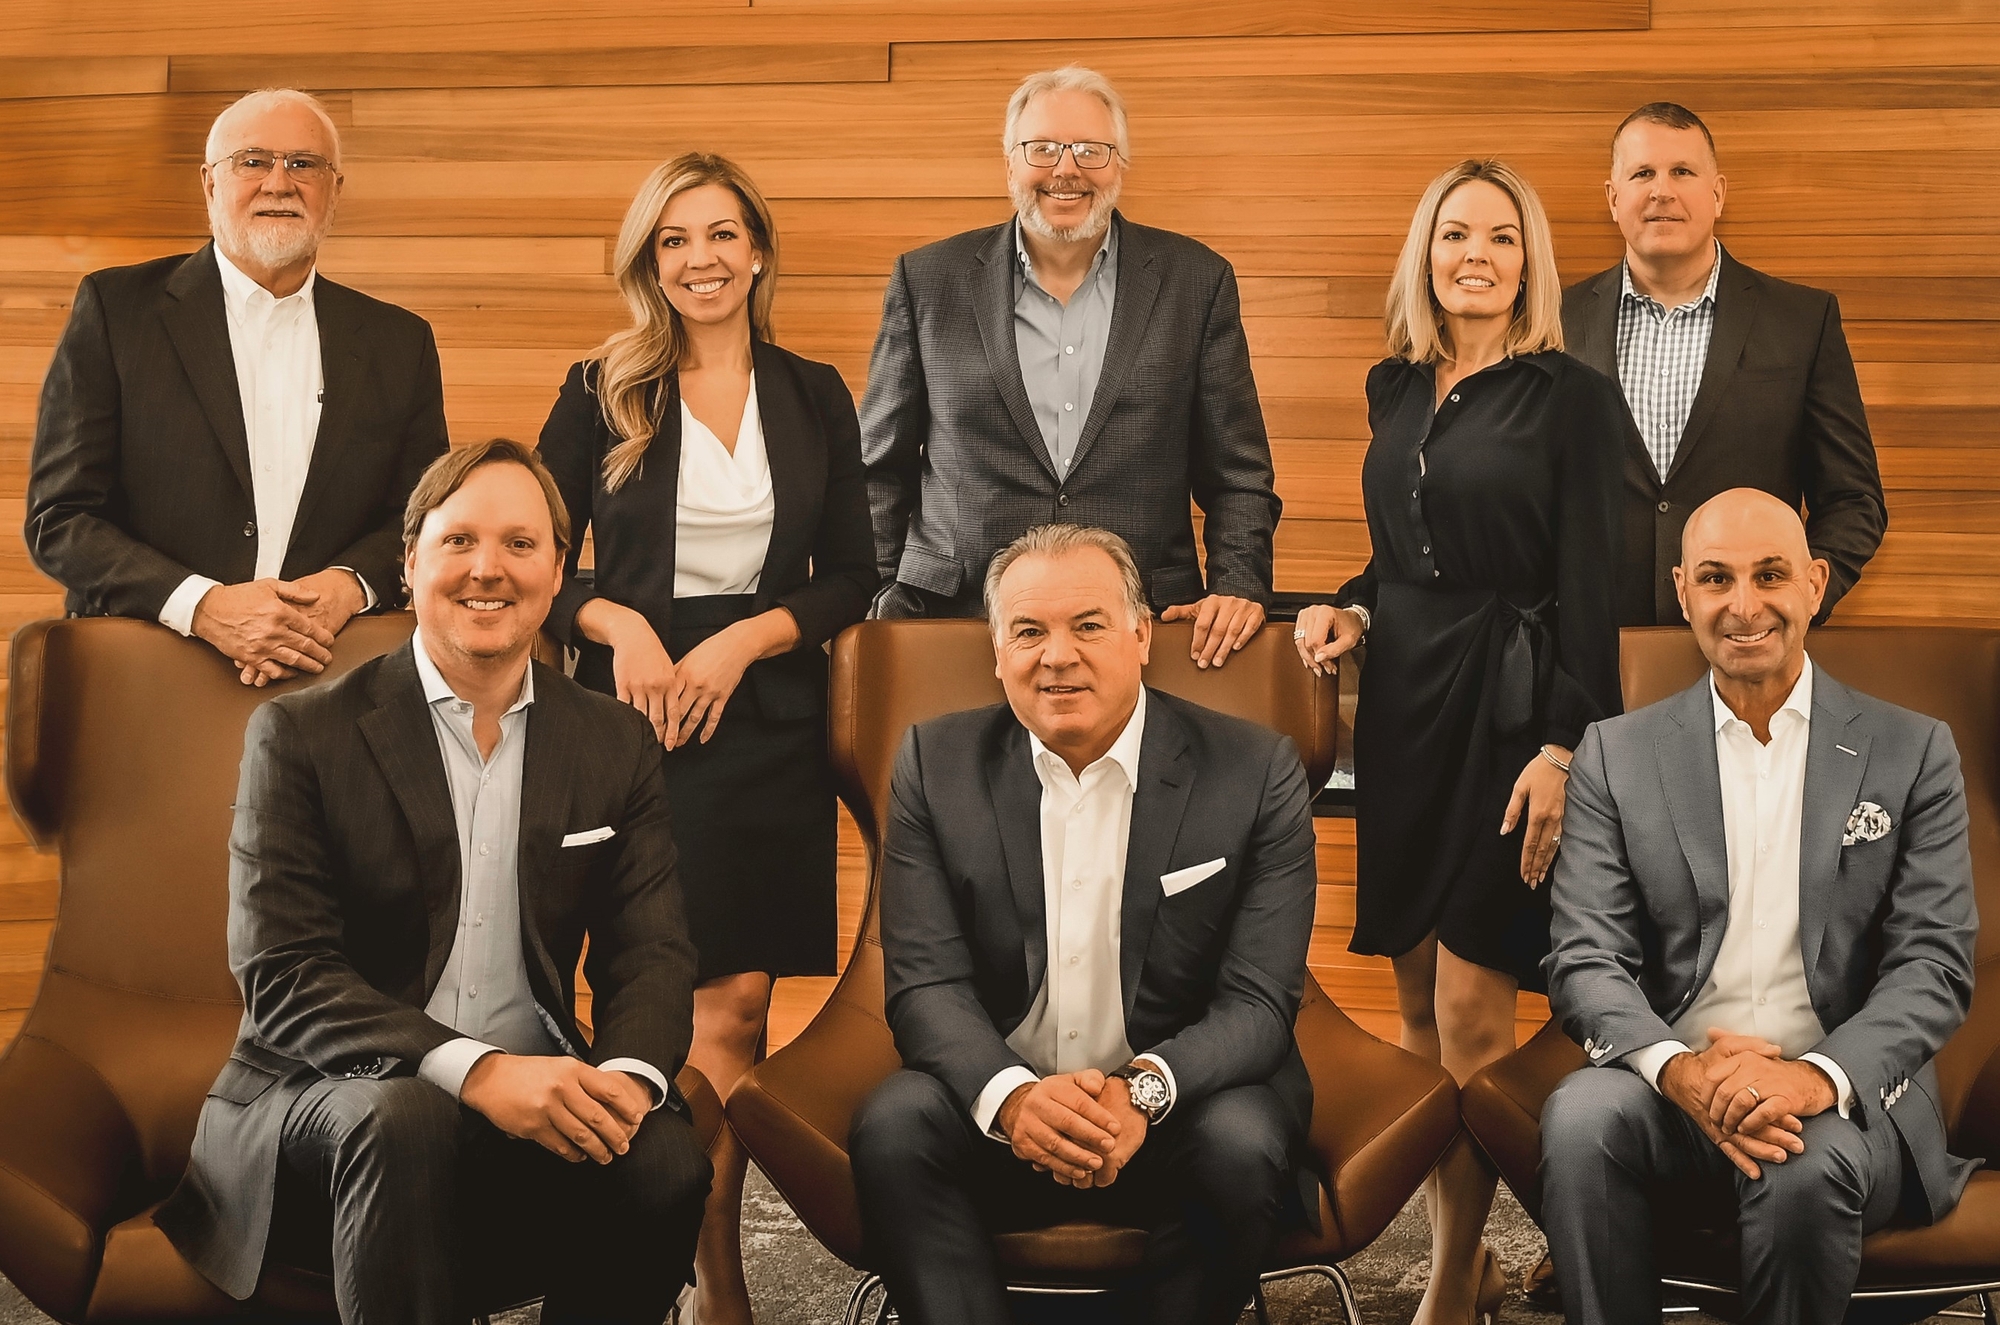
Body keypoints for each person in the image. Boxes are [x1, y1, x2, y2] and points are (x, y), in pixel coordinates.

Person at [155, 438, 711, 1324]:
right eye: (459, 541)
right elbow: (284, 975)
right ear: (410, 564)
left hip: (526, 1100)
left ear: (558, 572)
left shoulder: (613, 741)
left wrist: (627, 1079)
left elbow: (652, 949)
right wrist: (480, 1071)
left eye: (520, 544)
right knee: (407, 1117)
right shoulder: (300, 736)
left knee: (664, 1157)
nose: (488, 568)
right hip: (325, 1100)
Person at [536, 151, 875, 1324]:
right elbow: (530, 555)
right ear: (649, 261)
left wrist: (742, 642)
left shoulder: (813, 391)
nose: (700, 259)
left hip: (763, 721)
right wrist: (619, 623)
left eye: (721, 233)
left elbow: (852, 572)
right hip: (630, 722)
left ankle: (712, 1278)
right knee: (651, 1002)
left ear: (758, 250)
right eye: (674, 239)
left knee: (736, 1010)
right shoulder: (600, 388)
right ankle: (633, 1240)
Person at [1291, 159, 1626, 1325]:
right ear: (1423, 254)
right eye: (1451, 234)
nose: (1472, 254)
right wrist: (1347, 604)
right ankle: (1464, 1253)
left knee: (1477, 1006)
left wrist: (1562, 745)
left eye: (1497, 236)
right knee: (1417, 1004)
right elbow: (1401, 547)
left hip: (1511, 711)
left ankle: (1445, 1283)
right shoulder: (1393, 383)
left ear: (1528, 261)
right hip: (1404, 708)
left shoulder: (1570, 397)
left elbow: (1591, 584)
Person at [850, 523, 1321, 1325]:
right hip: (1003, 1115)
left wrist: (1140, 1093)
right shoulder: (933, 763)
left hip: (1175, 1114)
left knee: (1245, 1141)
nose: (1056, 656)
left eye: (1088, 625)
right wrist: (1015, 1100)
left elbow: (1259, 1003)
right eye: (1028, 631)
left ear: (1142, 636)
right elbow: (926, 985)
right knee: (895, 1123)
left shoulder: (1254, 771)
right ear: (997, 652)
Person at [1539, 487, 1976, 1324]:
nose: (1744, 605)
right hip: (1675, 1091)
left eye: (1770, 574)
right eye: (1716, 578)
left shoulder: (1913, 750)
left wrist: (1813, 1077)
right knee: (1579, 1118)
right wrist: (1682, 1071)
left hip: (1848, 1102)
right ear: (1683, 592)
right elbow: (1585, 956)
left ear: (1815, 583)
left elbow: (1934, 962)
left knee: (1801, 1167)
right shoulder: (1614, 754)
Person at [861, 64, 1281, 671]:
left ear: (1120, 165)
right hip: (954, 620)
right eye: (1043, 148)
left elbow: (1238, 473)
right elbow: (879, 470)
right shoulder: (927, 281)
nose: (1066, 169)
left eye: (1090, 149)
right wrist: (870, 604)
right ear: (1010, 163)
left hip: (1143, 628)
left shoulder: (1196, 281)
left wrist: (1238, 585)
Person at [26, 87, 448, 686]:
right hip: (143, 683)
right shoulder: (117, 312)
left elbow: (422, 517)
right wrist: (202, 606)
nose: (279, 183)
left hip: (333, 682)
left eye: (304, 164)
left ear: (334, 191)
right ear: (209, 183)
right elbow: (61, 519)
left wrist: (348, 586)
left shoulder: (400, 342)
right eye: (253, 161)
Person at [1563, 102, 1886, 627]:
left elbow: (1854, 499)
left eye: (1682, 172)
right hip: (1588, 645)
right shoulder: (1551, 323)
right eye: (1642, 173)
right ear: (1613, 197)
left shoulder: (1803, 321)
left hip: (1750, 646)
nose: (1661, 190)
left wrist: (1794, 600)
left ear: (1717, 194)